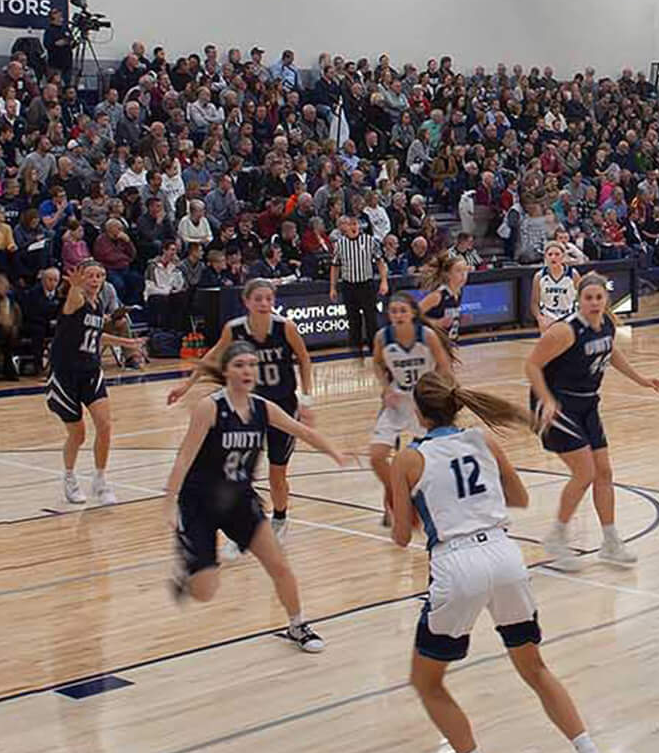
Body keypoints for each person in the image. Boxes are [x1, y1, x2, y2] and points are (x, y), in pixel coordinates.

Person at [391, 369, 618, 753]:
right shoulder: (483, 441)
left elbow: (402, 535)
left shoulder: (408, 459)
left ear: (418, 412)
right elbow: (519, 497)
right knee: (535, 667)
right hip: (504, 554)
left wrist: (414, 504)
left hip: (457, 565)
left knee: (427, 682)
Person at [160, 340, 345, 652]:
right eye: (239, 365)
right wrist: (168, 502)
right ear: (226, 371)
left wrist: (335, 451)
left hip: (239, 502)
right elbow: (183, 458)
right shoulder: (210, 408)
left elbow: (302, 431)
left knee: (279, 565)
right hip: (200, 504)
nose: (247, 370)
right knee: (205, 591)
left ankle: (298, 625)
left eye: (251, 365)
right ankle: (187, 573)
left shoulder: (262, 407)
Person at [527, 272, 659, 569]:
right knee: (585, 472)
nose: (593, 302)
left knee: (604, 472)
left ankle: (610, 541)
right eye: (588, 298)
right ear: (579, 299)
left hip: (587, 403)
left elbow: (610, 352)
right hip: (557, 405)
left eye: (598, 297)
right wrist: (547, 401)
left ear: (606, 299)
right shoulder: (564, 331)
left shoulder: (606, 326)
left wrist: (641, 379)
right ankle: (557, 536)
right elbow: (532, 365)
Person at [168, 278, 315, 532]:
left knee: (277, 473)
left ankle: (280, 520)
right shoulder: (234, 329)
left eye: (269, 299)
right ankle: (244, 526)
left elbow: (304, 359)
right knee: (238, 471)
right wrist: (186, 386)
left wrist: (307, 399)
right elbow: (212, 356)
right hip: (248, 408)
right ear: (246, 301)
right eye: (258, 299)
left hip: (283, 404)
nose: (264, 303)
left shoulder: (285, 327)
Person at [53, 261, 146, 505]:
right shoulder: (77, 300)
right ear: (82, 278)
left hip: (91, 370)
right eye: (91, 275)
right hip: (66, 374)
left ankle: (100, 480)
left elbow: (96, 334)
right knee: (78, 434)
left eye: (101, 275)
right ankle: (70, 477)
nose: (96, 279)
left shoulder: (98, 305)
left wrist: (128, 344)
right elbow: (73, 302)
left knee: (105, 425)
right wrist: (73, 287)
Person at [366, 290, 451, 525]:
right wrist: (385, 388)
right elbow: (376, 364)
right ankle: (398, 497)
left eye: (403, 310)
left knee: (426, 461)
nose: (398, 315)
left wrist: (435, 393)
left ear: (413, 313)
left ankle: (416, 503)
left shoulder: (427, 336)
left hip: (422, 404)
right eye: (393, 311)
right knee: (376, 457)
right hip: (397, 400)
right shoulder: (383, 337)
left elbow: (444, 367)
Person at [329, 213, 388, 352]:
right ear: (345, 227)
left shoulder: (370, 241)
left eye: (355, 224)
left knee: (371, 319)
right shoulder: (340, 244)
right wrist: (333, 287)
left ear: (360, 226)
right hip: (349, 286)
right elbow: (335, 266)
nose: (353, 227)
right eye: (350, 224)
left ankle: (375, 351)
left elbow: (380, 262)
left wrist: (384, 281)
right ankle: (355, 353)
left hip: (366, 284)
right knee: (353, 321)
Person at [533, 240, 579, 325]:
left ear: (563, 256)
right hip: (548, 315)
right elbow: (534, 302)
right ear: (545, 257)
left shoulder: (573, 274)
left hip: (569, 315)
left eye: (557, 254)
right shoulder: (539, 276)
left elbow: (581, 298)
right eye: (550, 254)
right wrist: (540, 318)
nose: (553, 257)